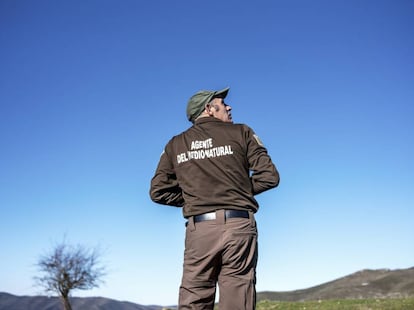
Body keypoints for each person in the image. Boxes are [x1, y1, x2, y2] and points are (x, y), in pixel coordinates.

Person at [150, 87, 279, 310]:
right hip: (239, 227)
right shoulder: (242, 132)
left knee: (195, 297)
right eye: (222, 103)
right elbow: (269, 176)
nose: (229, 107)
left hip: (199, 231)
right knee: (238, 298)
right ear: (209, 109)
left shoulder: (175, 144)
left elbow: (158, 191)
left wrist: (198, 197)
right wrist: (235, 192)